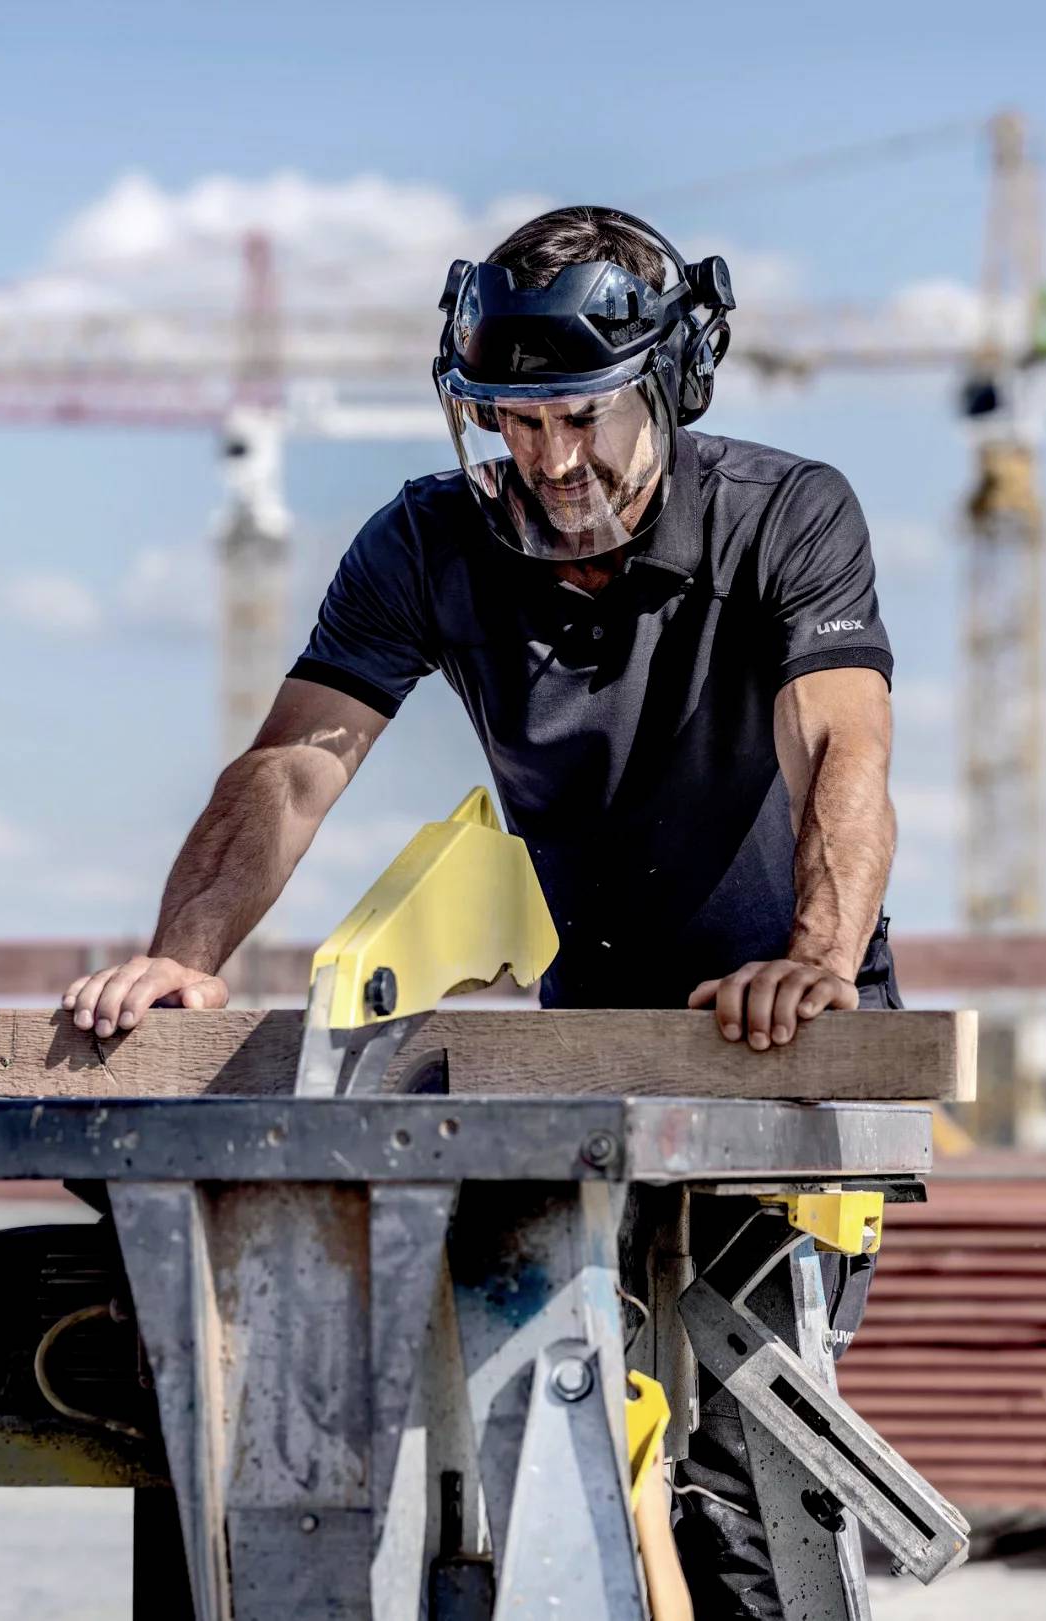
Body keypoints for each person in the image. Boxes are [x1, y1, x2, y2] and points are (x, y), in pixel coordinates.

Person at [63, 205, 900, 1617]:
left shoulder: (787, 514)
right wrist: (178, 957)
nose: (549, 461)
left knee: (741, 1496)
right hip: (582, 1054)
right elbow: (292, 765)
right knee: (525, 1467)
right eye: (510, 422)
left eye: (581, 417)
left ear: (671, 384)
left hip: (788, 1041)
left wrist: (813, 956)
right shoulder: (426, 545)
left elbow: (844, 748)